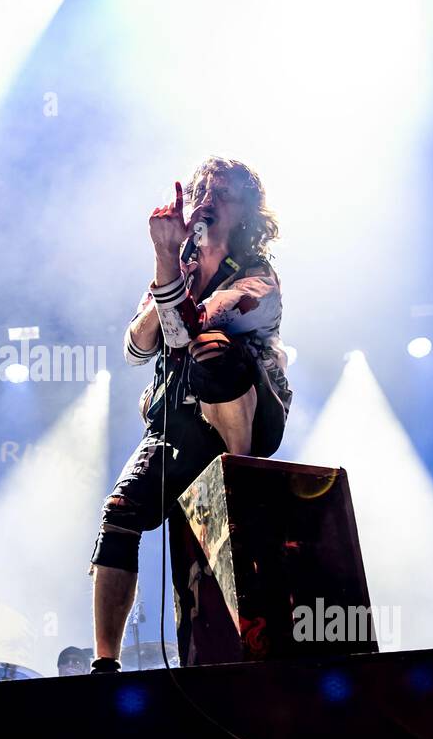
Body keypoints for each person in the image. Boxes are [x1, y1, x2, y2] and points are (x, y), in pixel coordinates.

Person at [88, 157, 293, 673]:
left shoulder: (256, 278)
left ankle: (238, 475)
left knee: (214, 353)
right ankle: (104, 666)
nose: (206, 197)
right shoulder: (174, 268)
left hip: (238, 414)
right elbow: (137, 346)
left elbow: (189, 329)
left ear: (245, 209)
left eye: (221, 191)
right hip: (175, 422)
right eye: (201, 187)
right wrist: (165, 265)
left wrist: (165, 271)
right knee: (119, 514)